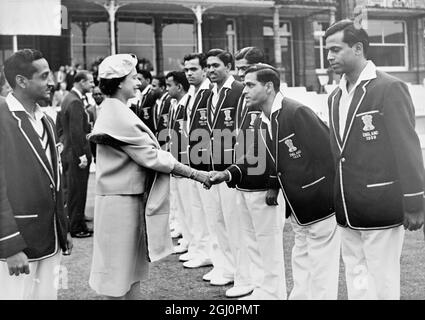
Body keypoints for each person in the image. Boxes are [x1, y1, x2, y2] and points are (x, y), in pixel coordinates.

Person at [87, 53, 211, 300]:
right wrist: (197, 174)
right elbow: (153, 157)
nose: (138, 82)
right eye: (133, 78)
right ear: (120, 82)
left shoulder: (117, 110)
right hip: (119, 202)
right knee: (117, 273)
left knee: (130, 271)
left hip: (126, 199)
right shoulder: (117, 114)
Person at [214, 63, 340, 299]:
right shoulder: (265, 119)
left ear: (269, 86)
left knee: (322, 270)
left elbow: (329, 154)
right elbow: (261, 158)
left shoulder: (296, 111)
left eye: (251, 85)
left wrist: (327, 197)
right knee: (301, 262)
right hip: (297, 208)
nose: (244, 90)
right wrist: (227, 173)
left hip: (320, 206)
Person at [325, 19, 425, 300]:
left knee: (382, 281)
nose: (329, 57)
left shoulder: (388, 88)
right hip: (348, 207)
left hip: (382, 205)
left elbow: (407, 147)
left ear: (358, 48)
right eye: (327, 51)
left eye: (335, 49)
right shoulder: (335, 97)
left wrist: (415, 201)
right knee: (357, 279)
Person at [0, 49, 72, 300]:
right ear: (21, 81)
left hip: (50, 239)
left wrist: (63, 229)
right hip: (18, 243)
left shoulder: (46, 120)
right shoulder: (2, 119)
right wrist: (9, 245)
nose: (52, 82)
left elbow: (56, 178)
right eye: (43, 76)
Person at [178, 53, 213, 270]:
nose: (189, 73)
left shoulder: (208, 92)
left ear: (203, 70)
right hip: (193, 158)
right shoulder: (192, 94)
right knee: (196, 209)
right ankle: (200, 250)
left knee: (207, 212)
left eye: (193, 69)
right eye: (186, 70)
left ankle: (207, 252)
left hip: (207, 160)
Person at [60, 70, 95, 238]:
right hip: (75, 153)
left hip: (68, 151)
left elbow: (63, 128)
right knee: (77, 190)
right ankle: (76, 226)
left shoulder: (68, 98)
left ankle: (75, 220)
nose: (93, 85)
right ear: (81, 82)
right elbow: (76, 131)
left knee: (71, 190)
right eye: (90, 82)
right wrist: (81, 155)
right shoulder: (75, 102)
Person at [87, 86, 105, 163]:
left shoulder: (108, 108)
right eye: (95, 94)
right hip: (95, 147)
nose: (98, 96)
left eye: (100, 94)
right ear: (92, 96)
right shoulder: (89, 110)